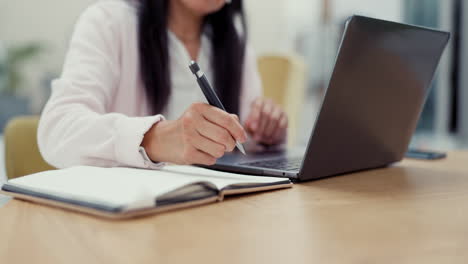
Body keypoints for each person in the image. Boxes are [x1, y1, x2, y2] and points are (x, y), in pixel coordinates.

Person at [38, 0, 288, 169]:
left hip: (215, 214)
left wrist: (264, 134)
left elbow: (240, 144)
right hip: (128, 222)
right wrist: (153, 139)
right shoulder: (109, 21)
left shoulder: (233, 40)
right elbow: (57, 130)